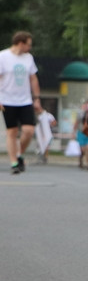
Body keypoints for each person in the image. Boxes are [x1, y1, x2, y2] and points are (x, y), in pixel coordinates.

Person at [0, 31, 43, 174]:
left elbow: (33, 78)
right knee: (12, 132)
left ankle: (19, 153)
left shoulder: (28, 58)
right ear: (21, 43)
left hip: (24, 100)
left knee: (29, 131)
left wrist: (36, 98)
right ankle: (14, 163)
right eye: (28, 44)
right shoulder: (3, 56)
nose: (30, 48)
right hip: (7, 100)